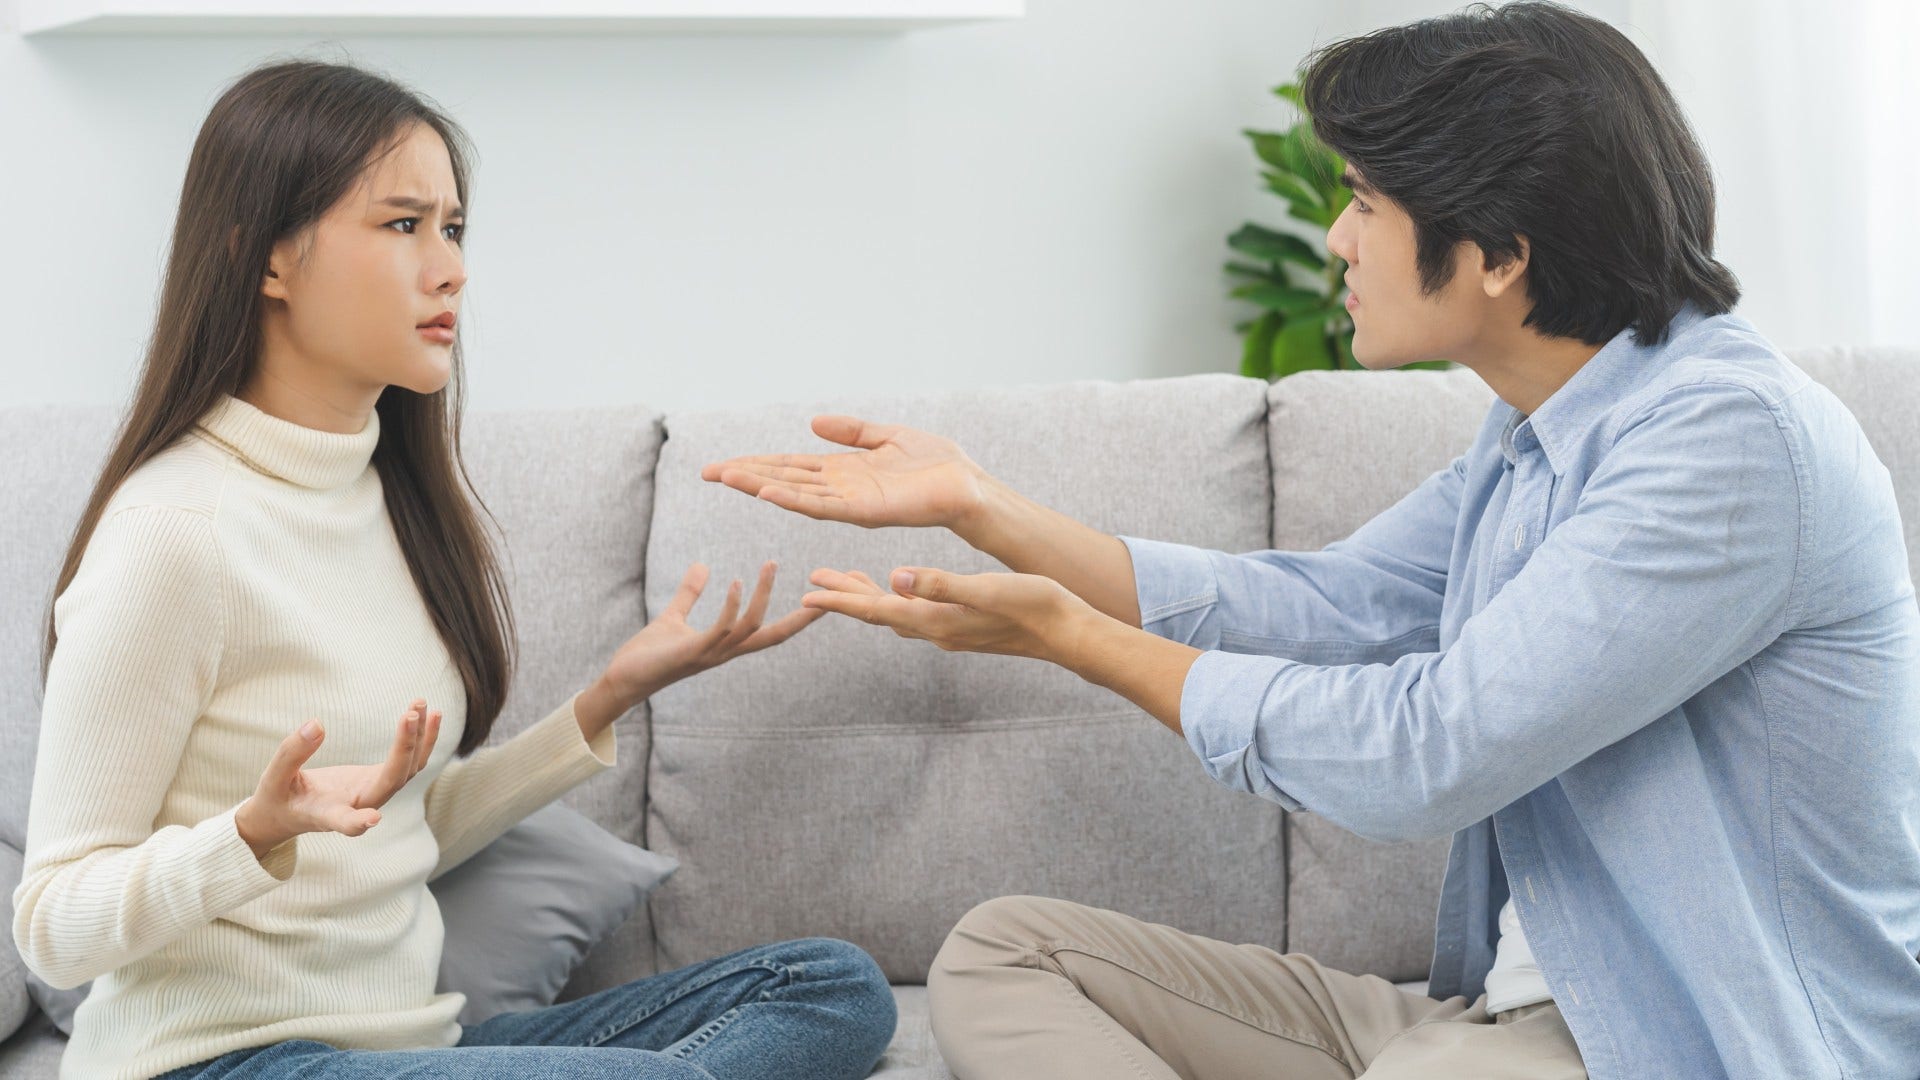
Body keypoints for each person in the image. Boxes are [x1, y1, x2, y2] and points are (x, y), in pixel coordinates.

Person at [700, 3, 1920, 1077]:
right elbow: (1324, 607)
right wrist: (984, 507)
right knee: (1008, 954)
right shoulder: (1539, 430)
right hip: (1493, 1015)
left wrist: (1075, 641)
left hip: (1674, 1034)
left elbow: (1429, 753)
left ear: (1501, 253)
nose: (1337, 237)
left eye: (1367, 203)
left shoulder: (1726, 447)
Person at [11, 59, 895, 1080]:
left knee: (829, 987)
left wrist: (612, 695)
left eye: (454, 229)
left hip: (404, 1051)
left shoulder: (387, 500)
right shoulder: (177, 533)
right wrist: (248, 835)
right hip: (217, 1063)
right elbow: (52, 923)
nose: (451, 270)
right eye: (403, 226)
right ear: (266, 261)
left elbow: (403, 828)